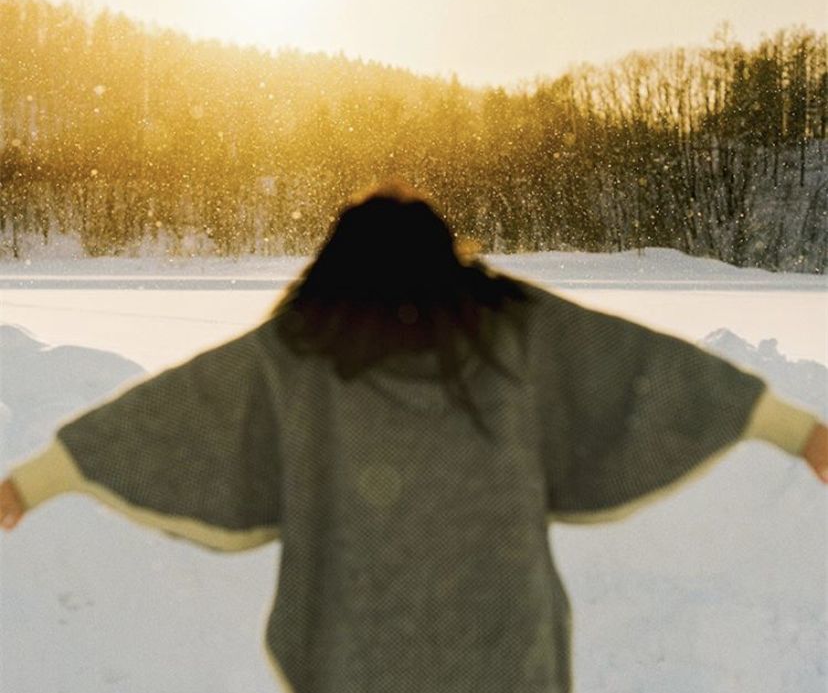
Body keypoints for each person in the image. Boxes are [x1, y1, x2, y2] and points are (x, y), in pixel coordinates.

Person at [2, 182, 827, 693]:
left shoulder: (300, 352)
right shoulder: (516, 331)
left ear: (337, 263)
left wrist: (32, 483)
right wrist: (795, 431)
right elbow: (647, 371)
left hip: (355, 649)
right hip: (502, 647)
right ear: (445, 258)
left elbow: (165, 418)